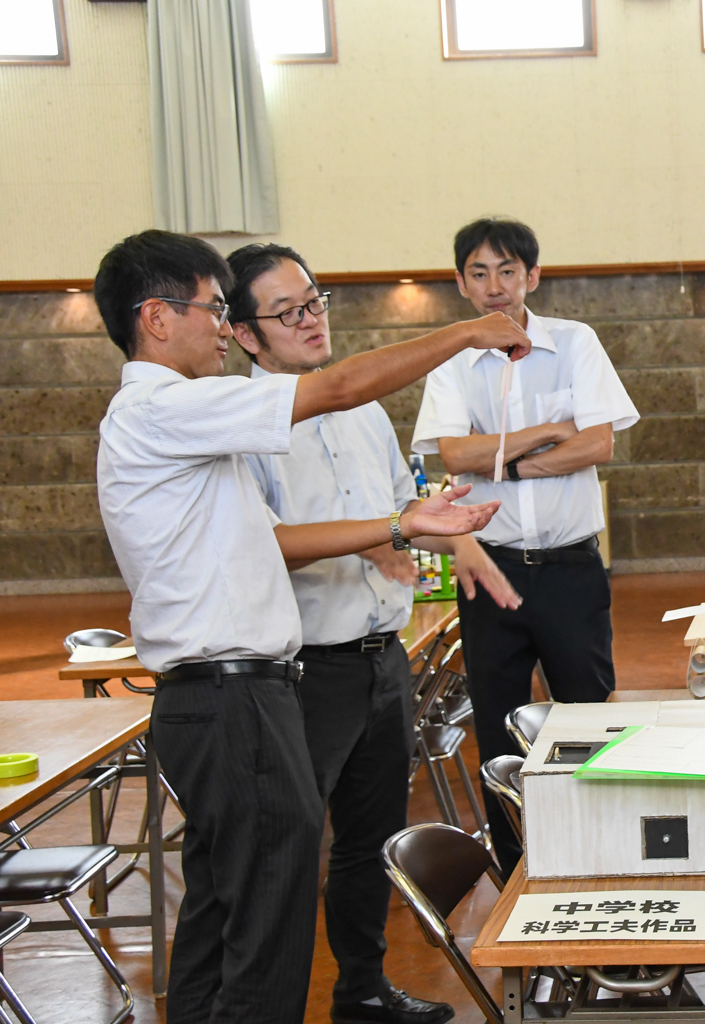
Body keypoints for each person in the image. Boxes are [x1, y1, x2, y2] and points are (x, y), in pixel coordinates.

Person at [94, 230, 521, 1024]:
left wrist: (398, 526)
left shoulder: (175, 420)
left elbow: (264, 537)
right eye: (214, 311)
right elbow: (337, 387)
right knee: (265, 933)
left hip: (232, 696)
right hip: (231, 697)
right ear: (157, 317)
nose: (221, 328)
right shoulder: (165, 405)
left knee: (228, 918)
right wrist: (466, 331)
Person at [229, 243, 521, 1024]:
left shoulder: (359, 408)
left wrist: (446, 529)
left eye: (315, 301)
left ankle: (360, 990)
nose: (311, 320)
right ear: (245, 336)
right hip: (302, 671)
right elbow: (266, 540)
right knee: (289, 856)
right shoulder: (244, 429)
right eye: (287, 313)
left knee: (370, 843)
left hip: (378, 658)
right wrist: (384, 530)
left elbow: (402, 511)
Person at [412, 217, 640, 872]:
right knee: (498, 729)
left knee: (589, 717)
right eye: (478, 273)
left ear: (531, 277)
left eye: (507, 271)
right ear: (461, 283)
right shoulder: (451, 358)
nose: (494, 286)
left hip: (570, 566)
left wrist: (502, 462)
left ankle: (603, 854)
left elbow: (599, 443)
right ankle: (516, 866)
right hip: (493, 569)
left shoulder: (574, 343)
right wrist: (549, 433)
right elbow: (453, 451)